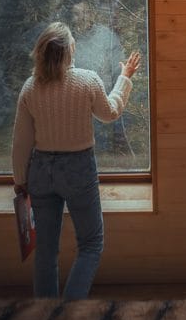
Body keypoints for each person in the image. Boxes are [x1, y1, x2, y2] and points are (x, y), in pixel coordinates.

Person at [11, 21, 141, 300]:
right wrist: (125, 77)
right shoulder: (87, 81)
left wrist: (19, 181)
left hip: (41, 171)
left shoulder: (30, 89)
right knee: (91, 244)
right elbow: (111, 112)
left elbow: (21, 142)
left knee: (45, 250)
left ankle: (45, 316)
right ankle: (68, 314)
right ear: (70, 51)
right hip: (78, 169)